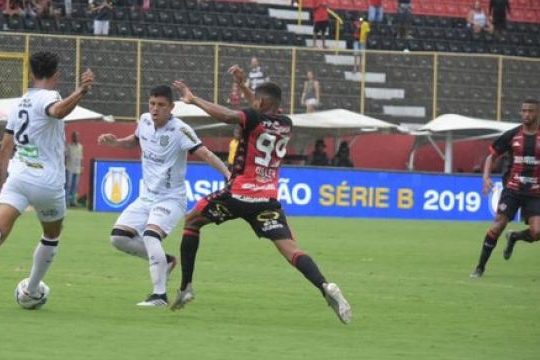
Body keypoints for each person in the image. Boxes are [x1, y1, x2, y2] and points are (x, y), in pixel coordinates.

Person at [168, 66, 352, 325]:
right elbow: (258, 107)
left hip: (237, 195)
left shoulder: (251, 118)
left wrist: (193, 98)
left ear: (262, 102)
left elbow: (229, 114)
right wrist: (243, 85)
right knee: (291, 250)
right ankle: (325, 286)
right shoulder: (286, 123)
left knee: (192, 221)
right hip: (267, 200)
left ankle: (186, 287)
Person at [0, 52, 95, 310]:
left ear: (31, 75)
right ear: (56, 76)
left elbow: (4, 149)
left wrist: (1, 188)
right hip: (47, 181)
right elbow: (57, 111)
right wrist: (81, 91)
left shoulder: (20, 102)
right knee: (51, 235)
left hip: (18, 176)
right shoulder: (50, 97)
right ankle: (31, 290)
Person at [98, 85, 230, 307]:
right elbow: (134, 140)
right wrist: (116, 143)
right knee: (118, 237)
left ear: (171, 107)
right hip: (146, 196)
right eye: (152, 104)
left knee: (151, 235)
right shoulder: (145, 121)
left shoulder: (181, 130)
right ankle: (166, 261)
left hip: (171, 198)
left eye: (161, 105)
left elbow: (205, 153)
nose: (155, 109)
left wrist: (228, 173)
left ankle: (159, 295)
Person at [470, 99, 540, 278]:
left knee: (538, 232)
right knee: (497, 226)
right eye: (523, 111)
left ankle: (515, 237)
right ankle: (480, 268)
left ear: (538, 113)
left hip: (535, 192)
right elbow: (491, 157)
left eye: (530, 111)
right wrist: (485, 177)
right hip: (513, 189)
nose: (526, 114)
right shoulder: (512, 135)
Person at [65, 131, 83, 207]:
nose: (76, 138)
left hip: (77, 168)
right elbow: (65, 157)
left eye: (77, 136)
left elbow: (81, 158)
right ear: (72, 137)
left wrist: (82, 166)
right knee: (68, 185)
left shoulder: (81, 146)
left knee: (75, 185)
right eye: (75, 136)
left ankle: (73, 201)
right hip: (69, 167)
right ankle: (66, 201)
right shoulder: (69, 146)